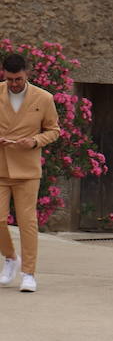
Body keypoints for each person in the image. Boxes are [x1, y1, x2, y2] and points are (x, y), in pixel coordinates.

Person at [0, 53, 60, 293]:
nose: (14, 83)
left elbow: (54, 130)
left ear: (27, 74)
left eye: (18, 78)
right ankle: (10, 258)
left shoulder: (44, 98)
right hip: (0, 166)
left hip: (27, 169)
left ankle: (29, 273)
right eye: (10, 79)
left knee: (27, 223)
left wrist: (34, 141)